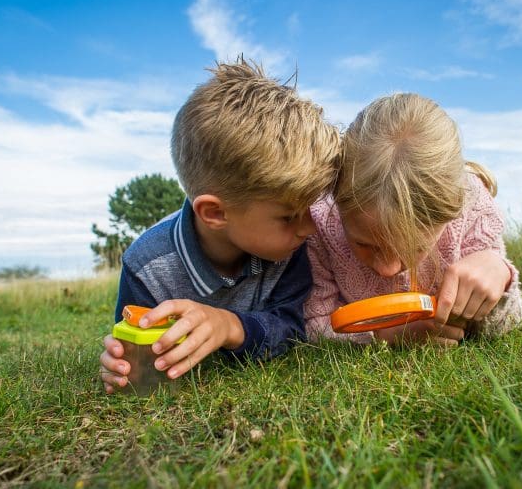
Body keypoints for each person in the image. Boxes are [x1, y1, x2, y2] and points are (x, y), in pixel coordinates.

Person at [100, 58, 341, 393]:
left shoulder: (289, 250)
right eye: (288, 216)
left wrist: (230, 327)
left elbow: (292, 329)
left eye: (309, 208)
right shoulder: (147, 267)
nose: (309, 228)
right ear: (214, 213)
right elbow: (131, 341)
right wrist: (121, 362)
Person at [304, 93, 522, 346]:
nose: (386, 269)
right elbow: (313, 325)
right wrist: (386, 336)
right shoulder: (320, 222)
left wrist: (499, 274)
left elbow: (505, 322)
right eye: (365, 244)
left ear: (452, 213)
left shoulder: (472, 208)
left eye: (415, 248)